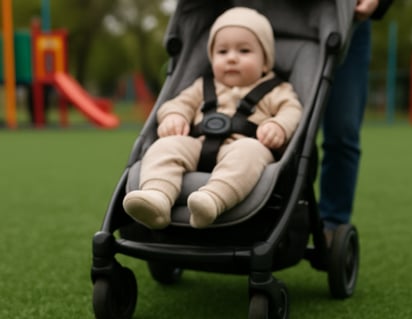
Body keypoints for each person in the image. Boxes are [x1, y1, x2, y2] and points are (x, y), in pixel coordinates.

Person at [123, 7, 302, 229]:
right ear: (211, 57)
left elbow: (292, 111)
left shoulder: (277, 90)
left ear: (265, 61)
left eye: (244, 51)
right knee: (165, 146)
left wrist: (278, 125)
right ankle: (157, 198)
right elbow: (179, 103)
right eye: (222, 52)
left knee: (250, 153)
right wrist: (174, 116)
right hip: (196, 144)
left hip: (243, 145)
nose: (232, 58)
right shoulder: (202, 86)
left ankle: (211, 200)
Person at [319, 0, 393, 242]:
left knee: (343, 129)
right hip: (276, 17)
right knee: (274, 121)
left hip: (348, 22)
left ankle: (333, 225)